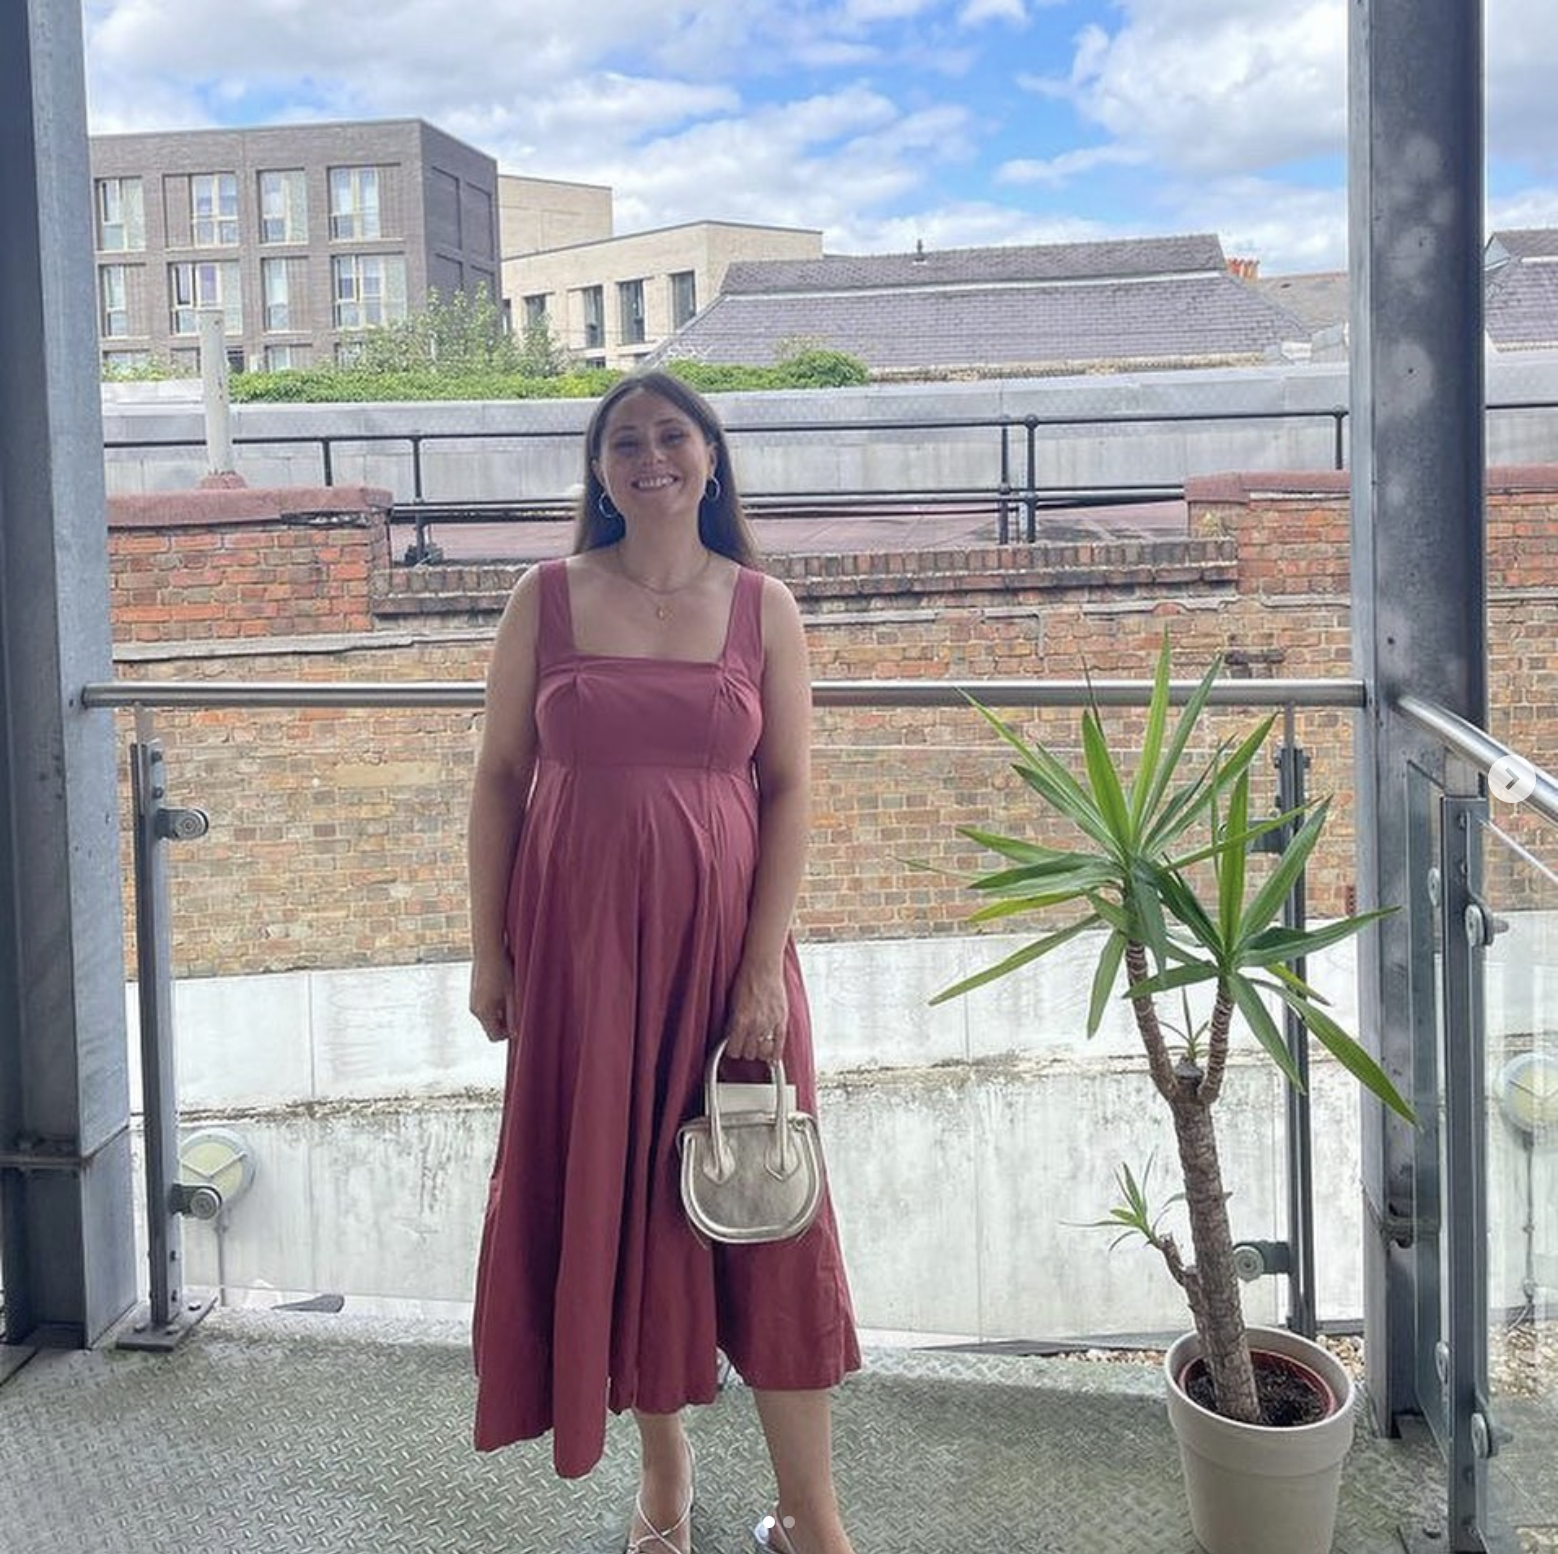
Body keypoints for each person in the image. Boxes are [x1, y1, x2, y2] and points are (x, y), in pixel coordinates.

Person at [467, 369, 861, 1554]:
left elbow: (788, 790)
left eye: (671, 437)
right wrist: (488, 953)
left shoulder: (762, 606)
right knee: (620, 1203)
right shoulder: (545, 597)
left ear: (710, 457)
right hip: (581, 958)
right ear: (598, 471)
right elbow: (499, 779)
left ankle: (812, 1518)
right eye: (624, 442)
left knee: (770, 1220)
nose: (651, 458)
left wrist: (760, 970)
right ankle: (664, 1479)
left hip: (723, 955)